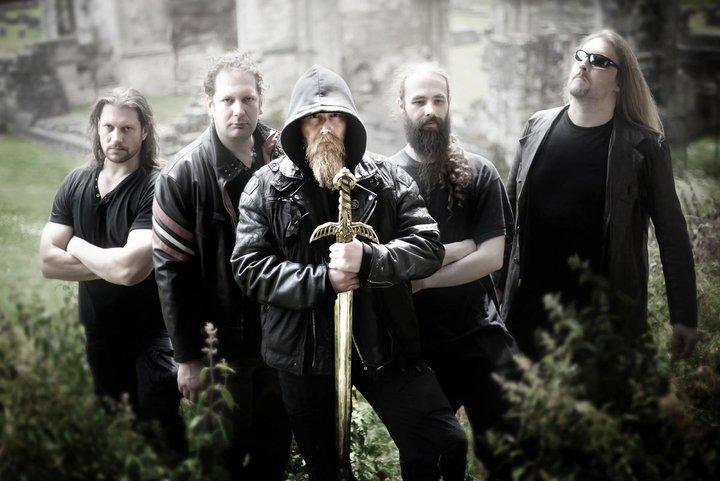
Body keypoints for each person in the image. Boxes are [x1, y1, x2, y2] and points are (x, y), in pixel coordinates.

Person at [231, 64, 468, 481]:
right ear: (298, 126)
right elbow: (250, 267)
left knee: (443, 444)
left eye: (335, 117)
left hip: (383, 340)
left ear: (350, 123)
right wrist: (322, 280)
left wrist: (371, 259)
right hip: (302, 352)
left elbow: (428, 245)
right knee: (328, 470)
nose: (325, 128)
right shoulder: (265, 187)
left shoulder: (386, 178)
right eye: (314, 119)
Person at [501, 30, 699, 360]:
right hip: (526, 316)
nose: (584, 65)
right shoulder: (536, 127)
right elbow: (508, 218)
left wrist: (684, 317)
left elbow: (672, 235)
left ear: (620, 82)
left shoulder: (645, 147)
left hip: (602, 325)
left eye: (599, 62)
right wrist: (496, 291)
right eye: (581, 56)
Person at [152, 51, 291, 479]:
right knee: (223, 456)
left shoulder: (285, 159)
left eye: (247, 99)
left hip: (280, 335)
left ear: (261, 100)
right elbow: (171, 272)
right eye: (227, 100)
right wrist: (187, 358)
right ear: (209, 103)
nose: (238, 110)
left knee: (274, 452)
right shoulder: (182, 175)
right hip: (220, 345)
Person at [39, 87, 184, 452]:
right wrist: (113, 263)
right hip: (100, 334)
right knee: (119, 434)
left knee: (160, 436)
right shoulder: (75, 182)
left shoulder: (157, 186)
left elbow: (129, 271)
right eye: (108, 127)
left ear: (145, 131)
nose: (116, 137)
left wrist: (73, 244)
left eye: (127, 128)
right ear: (97, 128)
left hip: (153, 335)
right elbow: (47, 262)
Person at [390, 63, 516, 481]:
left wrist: (425, 277)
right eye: (419, 101)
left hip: (480, 338)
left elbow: (492, 257)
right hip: (418, 347)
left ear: (449, 105)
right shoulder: (385, 179)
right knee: (426, 462)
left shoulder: (480, 172)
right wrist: (460, 248)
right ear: (402, 107)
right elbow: (392, 263)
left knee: (505, 454)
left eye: (438, 100)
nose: (430, 110)